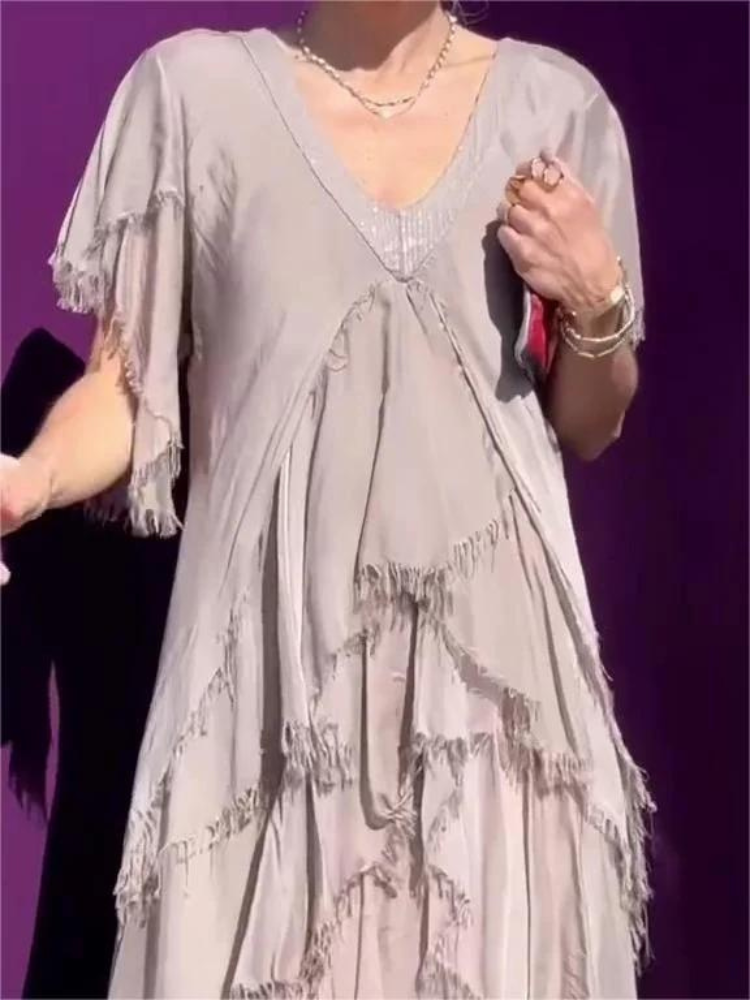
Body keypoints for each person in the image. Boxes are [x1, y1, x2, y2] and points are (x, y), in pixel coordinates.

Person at [0, 1, 656, 996]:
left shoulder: (556, 107)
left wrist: (599, 299)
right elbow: (127, 388)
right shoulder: (194, 95)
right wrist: (32, 478)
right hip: (270, 721)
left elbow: (591, 421)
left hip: (493, 728)